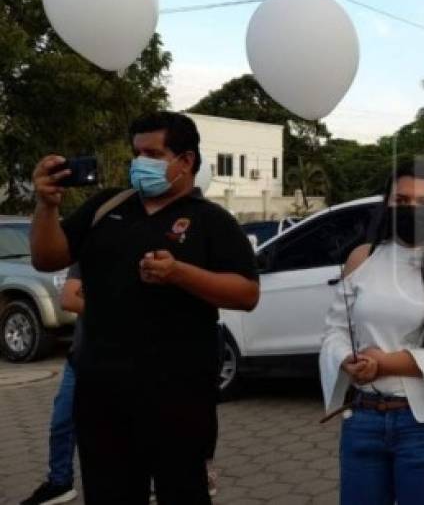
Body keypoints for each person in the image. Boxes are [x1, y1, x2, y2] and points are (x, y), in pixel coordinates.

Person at [30, 111, 259, 504]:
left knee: (182, 492)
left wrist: (179, 273)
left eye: (152, 153)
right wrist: (46, 206)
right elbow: (47, 258)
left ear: (185, 161)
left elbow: (246, 293)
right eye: (136, 153)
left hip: (179, 397)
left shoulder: (211, 221)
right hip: (102, 393)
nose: (140, 163)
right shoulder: (107, 207)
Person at [319, 159, 424, 505]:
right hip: (363, 420)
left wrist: (388, 363)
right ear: (388, 205)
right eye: (402, 201)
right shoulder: (363, 258)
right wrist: (346, 359)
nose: (412, 210)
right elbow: (336, 328)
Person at [21, 264, 84, 505]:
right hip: (81, 355)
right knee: (62, 421)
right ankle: (60, 482)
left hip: (126, 359)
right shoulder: (86, 254)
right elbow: (68, 298)